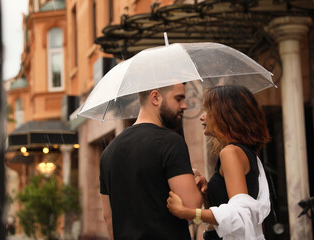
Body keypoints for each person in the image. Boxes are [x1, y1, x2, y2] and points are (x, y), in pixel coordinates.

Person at [167, 85, 271, 240]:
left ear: (225, 114)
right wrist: (208, 194)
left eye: (208, 110)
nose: (202, 117)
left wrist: (186, 212)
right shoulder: (244, 153)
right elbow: (226, 217)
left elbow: (240, 215)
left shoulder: (230, 153)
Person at [100, 83, 203, 240]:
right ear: (155, 98)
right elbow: (191, 209)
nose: (185, 105)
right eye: (179, 98)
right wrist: (197, 184)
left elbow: (108, 218)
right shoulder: (170, 142)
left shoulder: (108, 152)